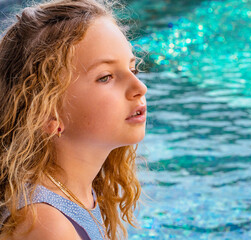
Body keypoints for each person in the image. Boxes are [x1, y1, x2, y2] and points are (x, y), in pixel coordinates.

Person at [0, 0, 148, 239]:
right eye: (106, 77)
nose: (140, 87)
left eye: (133, 69)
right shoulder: (47, 226)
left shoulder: (77, 192)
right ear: (48, 113)